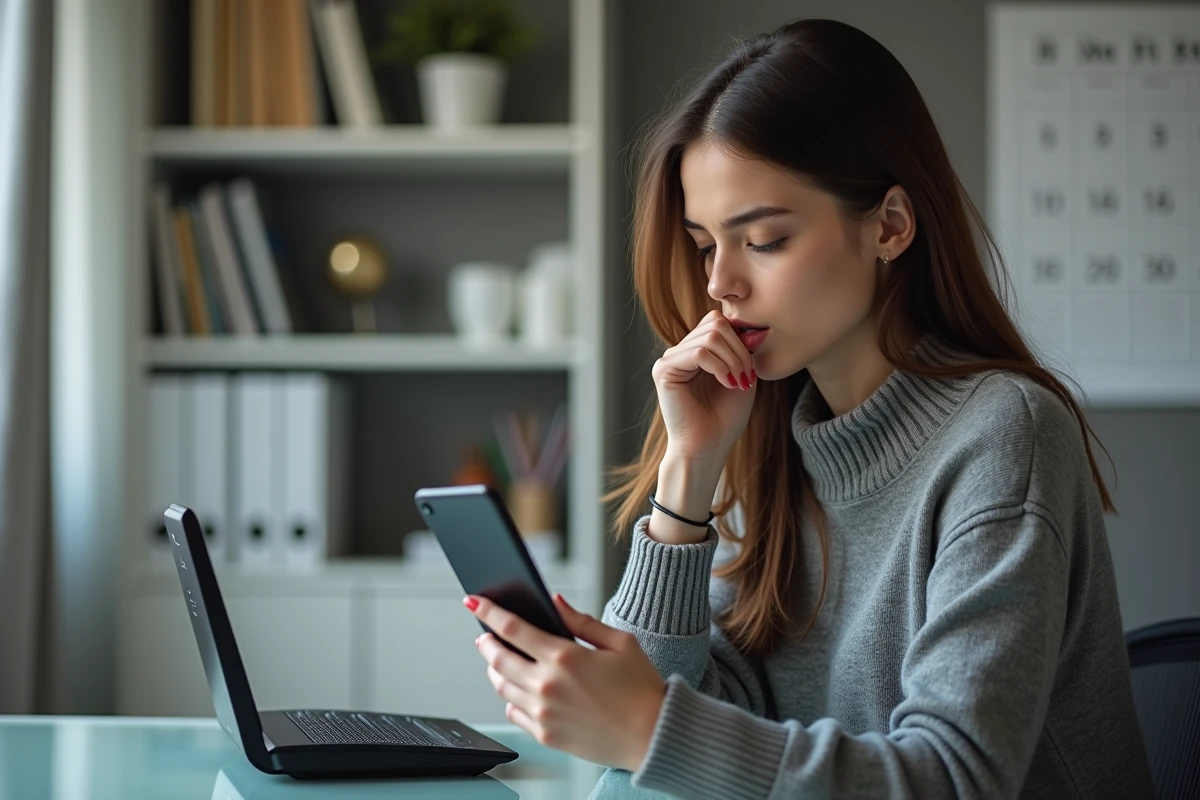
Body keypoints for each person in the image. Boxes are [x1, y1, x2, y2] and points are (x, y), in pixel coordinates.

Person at [462, 17, 1153, 799]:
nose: (721, 283)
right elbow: (667, 744)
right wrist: (688, 476)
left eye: (763, 240)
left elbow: (956, 781)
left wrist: (650, 726)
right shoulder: (773, 437)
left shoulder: (1004, 436)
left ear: (889, 226)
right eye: (703, 244)